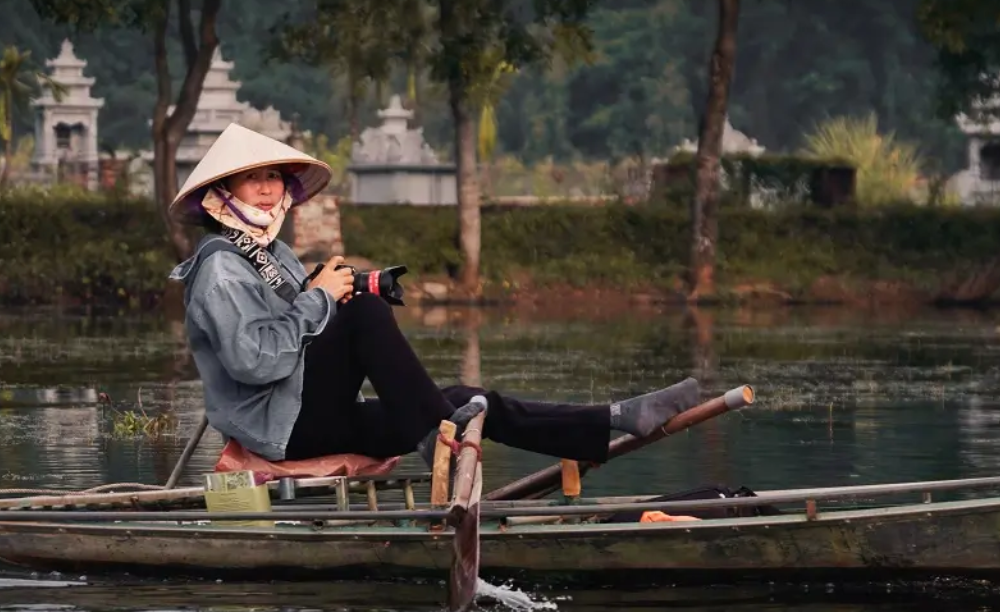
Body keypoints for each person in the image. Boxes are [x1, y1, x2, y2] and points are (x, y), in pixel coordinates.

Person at [169, 123, 699, 467]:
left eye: (273, 177)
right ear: (222, 195)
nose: (267, 189)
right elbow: (255, 363)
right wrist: (322, 299)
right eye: (251, 180)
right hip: (281, 428)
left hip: (309, 411)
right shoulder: (222, 268)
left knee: (465, 399)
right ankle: (432, 437)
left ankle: (612, 419)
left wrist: (324, 292)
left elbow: (301, 329)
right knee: (365, 312)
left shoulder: (272, 253)